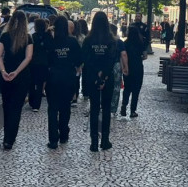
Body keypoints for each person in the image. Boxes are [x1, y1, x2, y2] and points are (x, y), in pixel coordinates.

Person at [82, 11, 127, 152]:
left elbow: (86, 59)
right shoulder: (111, 40)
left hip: (92, 77)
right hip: (108, 78)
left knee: (94, 109)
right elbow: (111, 59)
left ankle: (94, 141)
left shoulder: (88, 40)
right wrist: (104, 75)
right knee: (106, 109)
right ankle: (105, 140)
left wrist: (96, 75)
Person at [0, 10, 33, 149]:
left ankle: (6, 136)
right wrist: (16, 72)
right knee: (17, 108)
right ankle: (11, 138)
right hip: (22, 76)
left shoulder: (5, 36)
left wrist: (4, 70)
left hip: (6, 75)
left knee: (6, 106)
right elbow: (28, 57)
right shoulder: (28, 38)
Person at [45, 16, 83, 149]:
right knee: (65, 107)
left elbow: (47, 60)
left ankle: (53, 139)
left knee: (53, 108)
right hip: (68, 77)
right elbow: (79, 59)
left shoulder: (51, 42)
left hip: (53, 77)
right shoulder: (72, 42)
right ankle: (64, 134)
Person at [121, 24, 145, 118]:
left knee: (127, 88)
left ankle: (124, 105)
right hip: (138, 68)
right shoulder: (140, 43)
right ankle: (132, 111)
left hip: (128, 67)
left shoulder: (125, 43)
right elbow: (145, 56)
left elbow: (122, 55)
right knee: (136, 90)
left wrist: (124, 67)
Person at [28, 18, 51, 112]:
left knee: (32, 82)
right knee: (40, 84)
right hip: (44, 63)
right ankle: (36, 105)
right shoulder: (48, 36)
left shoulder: (33, 36)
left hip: (33, 62)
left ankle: (31, 100)